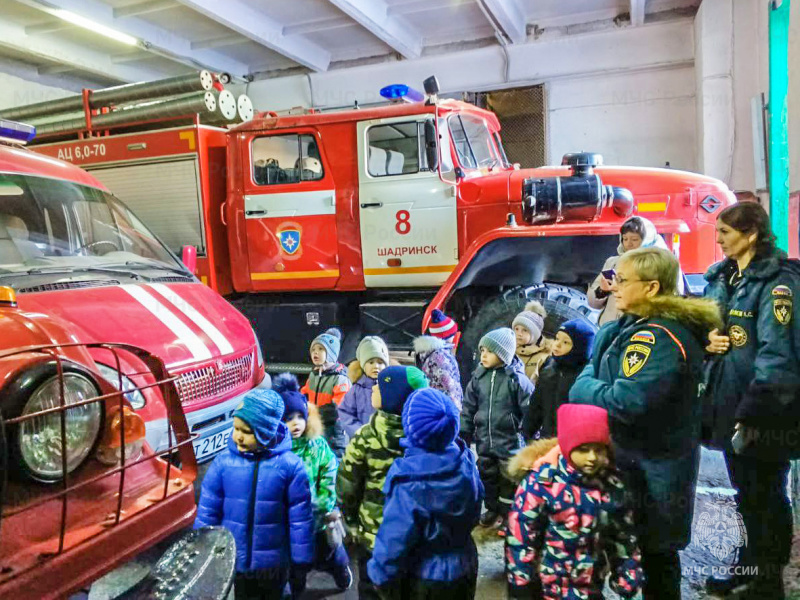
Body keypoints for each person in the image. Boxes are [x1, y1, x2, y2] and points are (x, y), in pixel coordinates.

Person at [568, 246, 721, 600]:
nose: (613, 287)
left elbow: (625, 399)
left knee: (656, 556)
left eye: (621, 280)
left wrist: (586, 386)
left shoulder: (657, 337)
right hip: (634, 462)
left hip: (655, 470)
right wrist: (595, 381)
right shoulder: (630, 326)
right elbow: (598, 371)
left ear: (651, 288)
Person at [702, 202, 800, 598]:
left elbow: (778, 356)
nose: (718, 239)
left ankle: (767, 580)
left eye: (726, 232)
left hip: (762, 409)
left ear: (752, 234)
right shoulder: (724, 277)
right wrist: (708, 339)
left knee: (767, 496)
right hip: (729, 402)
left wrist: (754, 413)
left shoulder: (778, 284)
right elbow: (706, 324)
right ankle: (746, 567)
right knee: (746, 497)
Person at [505, 404, 644, 599]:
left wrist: (628, 582)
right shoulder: (541, 484)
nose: (592, 458)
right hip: (549, 591)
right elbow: (522, 536)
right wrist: (521, 585)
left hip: (591, 589)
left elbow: (623, 539)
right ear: (568, 445)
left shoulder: (611, 486)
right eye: (583, 449)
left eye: (599, 449)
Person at [194, 388, 314, 600]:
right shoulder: (223, 463)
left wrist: (301, 558)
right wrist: (202, 547)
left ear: (266, 432)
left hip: (274, 562)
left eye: (247, 432)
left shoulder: (290, 467)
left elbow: (300, 518)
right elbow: (208, 509)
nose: (238, 436)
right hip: (235, 560)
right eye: (236, 428)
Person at [367, 388, 484, 599]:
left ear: (411, 429)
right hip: (465, 564)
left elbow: (393, 540)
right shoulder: (466, 462)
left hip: (425, 576)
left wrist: (379, 576)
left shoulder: (409, 482)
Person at [337, 366, 429, 599]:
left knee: (371, 589)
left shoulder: (367, 436)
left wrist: (352, 522)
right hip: (413, 536)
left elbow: (347, 485)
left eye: (382, 383)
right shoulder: (426, 437)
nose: (375, 386)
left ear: (396, 396)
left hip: (373, 537)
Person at [273, 373, 353, 595]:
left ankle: (340, 571)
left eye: (300, 416)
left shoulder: (316, 445)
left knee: (330, 551)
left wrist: (326, 505)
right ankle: (297, 589)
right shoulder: (276, 452)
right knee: (295, 565)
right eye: (288, 418)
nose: (295, 423)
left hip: (319, 517)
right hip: (290, 522)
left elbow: (329, 471)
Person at [461, 327, 534, 530]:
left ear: (503, 355)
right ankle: (492, 509)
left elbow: (530, 411)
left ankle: (507, 513)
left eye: (489, 351)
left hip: (509, 441)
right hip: (485, 440)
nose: (483, 355)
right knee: (487, 474)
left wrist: (529, 437)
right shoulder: (478, 378)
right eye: (482, 350)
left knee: (509, 478)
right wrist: (464, 431)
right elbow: (468, 407)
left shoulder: (517, 380)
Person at [587, 216, 685, 325]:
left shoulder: (663, 265)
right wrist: (602, 291)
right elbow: (592, 301)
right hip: (610, 329)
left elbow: (673, 299)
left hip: (643, 329)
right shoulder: (612, 263)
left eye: (634, 239)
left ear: (647, 240)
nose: (629, 244)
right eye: (625, 239)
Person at [523, 319, 596, 440]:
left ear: (580, 347)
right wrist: (526, 433)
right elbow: (536, 407)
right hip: (546, 440)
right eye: (557, 339)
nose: (556, 344)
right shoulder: (549, 368)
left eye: (566, 342)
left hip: (572, 444)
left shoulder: (586, 376)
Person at [301, 327, 351, 458]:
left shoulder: (340, 379)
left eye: (321, 349)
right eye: (313, 350)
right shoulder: (314, 374)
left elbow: (339, 407)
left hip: (334, 429)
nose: (315, 353)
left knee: (334, 455)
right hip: (316, 424)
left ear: (331, 353)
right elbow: (304, 392)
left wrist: (314, 413)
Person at [339, 336, 390, 438]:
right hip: (361, 442)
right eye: (371, 362)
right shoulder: (356, 390)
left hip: (386, 440)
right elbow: (345, 412)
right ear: (363, 365)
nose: (376, 366)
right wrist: (360, 432)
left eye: (380, 362)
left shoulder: (391, 387)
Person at [413, 334, 463, 410]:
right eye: (452, 334)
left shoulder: (432, 353)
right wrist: (456, 409)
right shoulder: (441, 357)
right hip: (444, 408)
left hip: (434, 404)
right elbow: (449, 387)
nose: (454, 337)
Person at [513, 301, 552, 384]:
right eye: (516, 329)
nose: (519, 334)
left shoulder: (544, 357)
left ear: (535, 334)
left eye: (525, 330)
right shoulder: (509, 351)